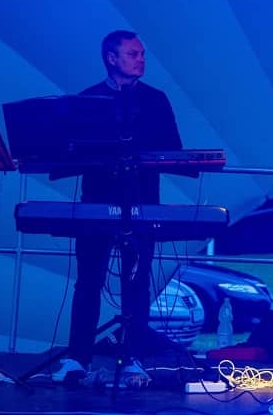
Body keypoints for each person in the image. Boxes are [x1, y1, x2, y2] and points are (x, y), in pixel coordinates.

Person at [53, 30, 182, 386]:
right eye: (133, 54)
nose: (141, 60)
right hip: (97, 204)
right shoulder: (87, 100)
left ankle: (132, 359)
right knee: (88, 281)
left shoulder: (156, 100)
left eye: (142, 54)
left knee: (137, 283)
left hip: (141, 204)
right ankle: (77, 358)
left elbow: (173, 150)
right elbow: (69, 152)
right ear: (112, 58)